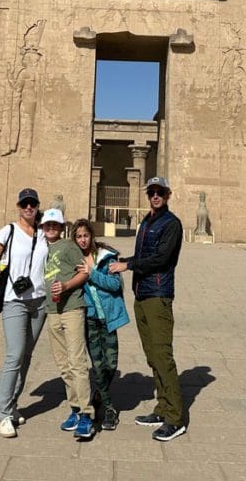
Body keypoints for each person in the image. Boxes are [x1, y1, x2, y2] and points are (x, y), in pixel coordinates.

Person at [109, 176, 186, 441]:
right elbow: (144, 257)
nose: (155, 195)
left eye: (160, 192)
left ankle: (176, 418)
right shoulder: (147, 222)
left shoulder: (171, 224)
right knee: (152, 356)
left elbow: (161, 259)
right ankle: (162, 407)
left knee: (163, 356)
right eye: (151, 192)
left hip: (158, 294)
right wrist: (123, 260)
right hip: (142, 293)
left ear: (168, 194)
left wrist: (128, 266)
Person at [0, 187, 49, 438]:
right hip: (14, 301)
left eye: (32, 203)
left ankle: (12, 406)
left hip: (39, 302)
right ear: (19, 207)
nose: (29, 207)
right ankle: (2, 414)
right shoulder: (7, 231)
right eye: (25, 204)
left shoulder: (44, 233)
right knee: (15, 355)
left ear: (37, 206)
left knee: (27, 356)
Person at [42, 208, 94, 440]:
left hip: (72, 308)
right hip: (52, 311)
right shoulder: (41, 248)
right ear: (43, 227)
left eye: (55, 225)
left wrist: (65, 286)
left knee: (77, 362)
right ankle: (74, 408)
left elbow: (84, 273)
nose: (51, 228)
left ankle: (86, 414)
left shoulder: (69, 246)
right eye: (47, 225)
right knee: (64, 364)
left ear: (62, 227)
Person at [73, 218, 128, 431]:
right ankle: (109, 408)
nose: (83, 239)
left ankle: (99, 394)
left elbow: (115, 284)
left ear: (92, 236)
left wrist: (92, 273)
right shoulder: (73, 259)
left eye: (85, 235)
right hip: (89, 319)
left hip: (109, 318)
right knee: (97, 366)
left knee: (111, 364)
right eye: (78, 236)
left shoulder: (106, 257)